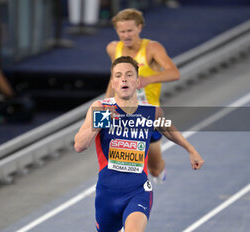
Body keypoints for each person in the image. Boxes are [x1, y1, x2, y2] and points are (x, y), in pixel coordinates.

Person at [74, 56, 204, 232]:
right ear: (113, 83)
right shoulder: (100, 107)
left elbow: (168, 129)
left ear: (137, 81)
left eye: (129, 75)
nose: (124, 79)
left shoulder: (151, 112)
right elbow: (80, 145)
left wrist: (191, 150)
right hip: (107, 195)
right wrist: (102, 119)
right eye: (118, 76)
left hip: (138, 191)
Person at [105, 8, 181, 183]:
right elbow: (113, 78)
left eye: (130, 30)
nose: (126, 35)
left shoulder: (152, 49)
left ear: (139, 28)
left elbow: (174, 73)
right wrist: (106, 104)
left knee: (154, 168)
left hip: (149, 116)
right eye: (122, 31)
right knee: (125, 165)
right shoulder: (113, 49)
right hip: (123, 114)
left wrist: (148, 79)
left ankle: (157, 170)